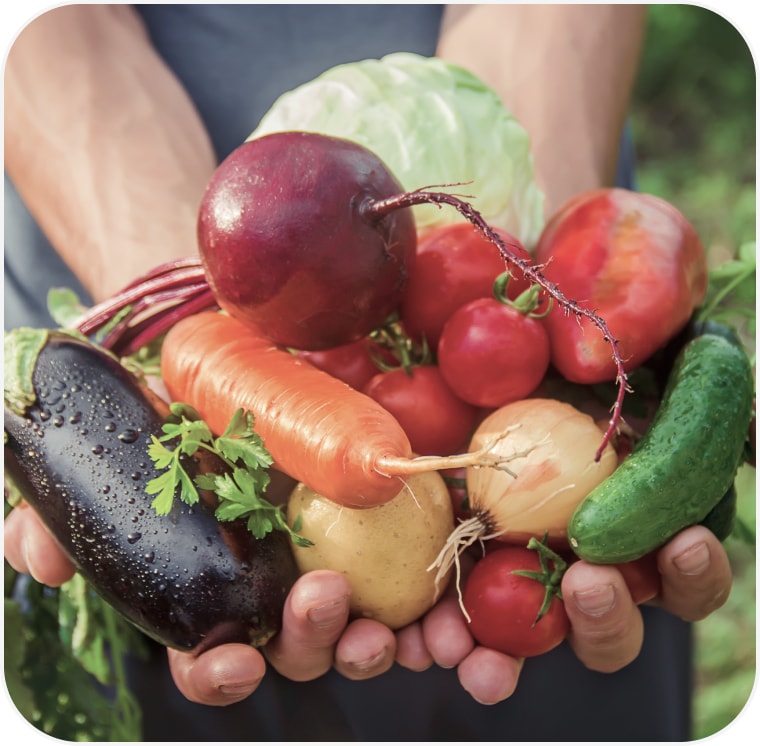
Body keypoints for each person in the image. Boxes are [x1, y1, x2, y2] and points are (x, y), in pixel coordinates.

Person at [4, 4, 733, 741]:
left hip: (504, 319)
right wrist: (179, 328)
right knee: (197, 610)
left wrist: (534, 290)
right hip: (137, 232)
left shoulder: (517, 314)